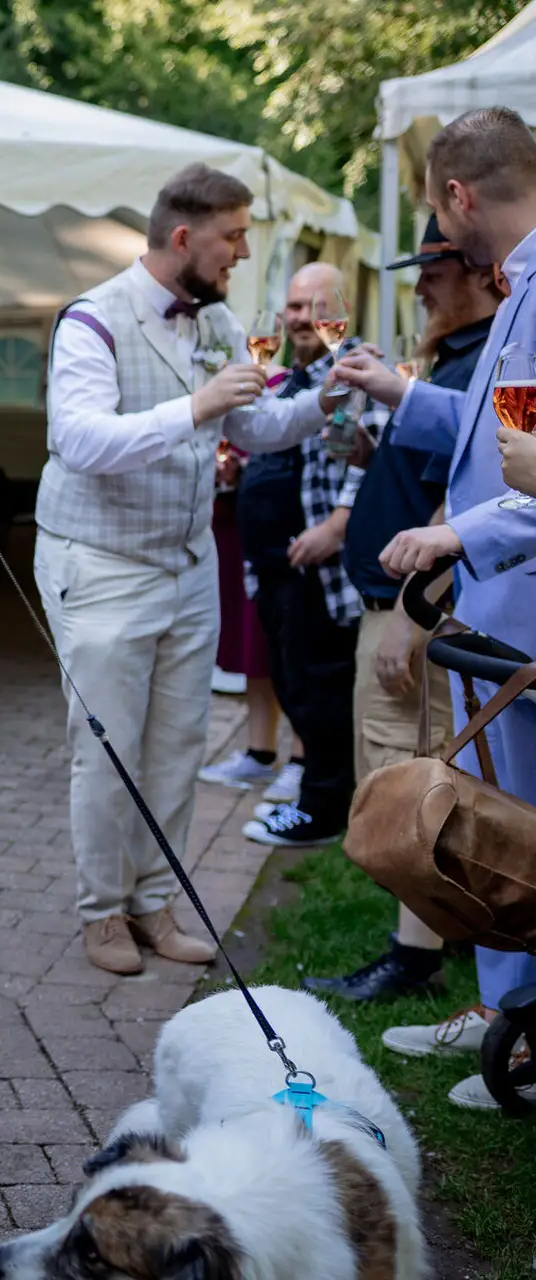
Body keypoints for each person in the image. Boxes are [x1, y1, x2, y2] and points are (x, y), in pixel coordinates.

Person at [34, 162, 337, 975]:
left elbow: (262, 424)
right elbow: (81, 441)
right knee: (106, 749)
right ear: (183, 237)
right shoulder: (90, 321)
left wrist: (327, 399)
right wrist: (195, 408)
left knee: (177, 743)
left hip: (188, 564)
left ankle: (155, 904)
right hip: (100, 564)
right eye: (232, 237)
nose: (242, 253)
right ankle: (101, 913)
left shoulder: (217, 323)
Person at [331, 106, 536, 1112]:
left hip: (522, 611)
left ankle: (523, 1039)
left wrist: (463, 536)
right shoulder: (519, 287)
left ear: (456, 197)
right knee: (507, 829)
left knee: (520, 840)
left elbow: (535, 468)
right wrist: (399, 391)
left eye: (437, 216)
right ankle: (512, 1022)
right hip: (496, 618)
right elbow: (506, 432)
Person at [304, 218, 502, 1003]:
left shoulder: (486, 356)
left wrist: (414, 618)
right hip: (393, 598)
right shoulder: (457, 352)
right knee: (396, 769)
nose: (419, 283)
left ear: (480, 267)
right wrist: (370, 450)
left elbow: (467, 499)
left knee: (404, 776)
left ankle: (414, 957)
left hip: (414, 606)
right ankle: (435, 940)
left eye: (432, 268)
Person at [232, 262, 367, 848]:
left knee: (322, 693)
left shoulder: (358, 367)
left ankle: (322, 811)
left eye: (315, 306)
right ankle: (316, 800)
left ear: (340, 310)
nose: (300, 318)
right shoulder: (291, 378)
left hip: (321, 569)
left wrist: (337, 525)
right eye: (292, 307)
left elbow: (375, 453)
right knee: (294, 688)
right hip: (275, 570)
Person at [202, 442, 304, 802]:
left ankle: (302, 759)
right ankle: (260, 751)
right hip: (241, 525)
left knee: (293, 652)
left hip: (290, 531)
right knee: (252, 645)